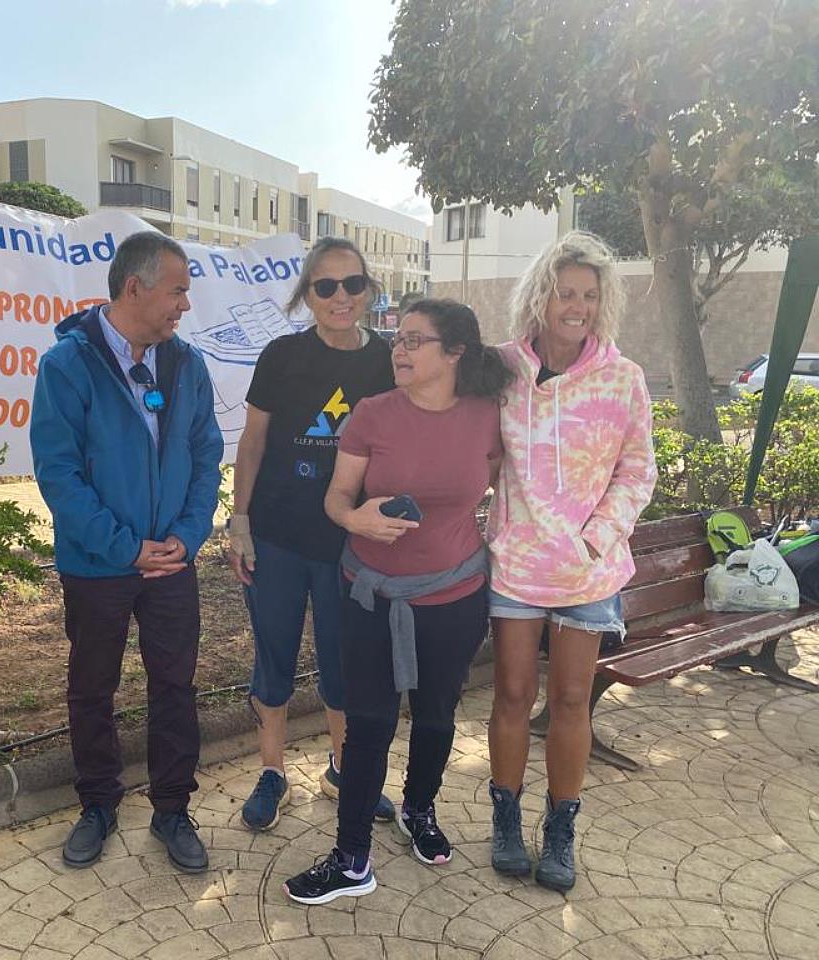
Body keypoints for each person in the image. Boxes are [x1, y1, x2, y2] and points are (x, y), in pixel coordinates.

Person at [284, 299, 510, 904]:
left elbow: (494, 478)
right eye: (397, 339)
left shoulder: (487, 414)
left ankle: (418, 809)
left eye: (415, 340)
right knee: (369, 724)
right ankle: (351, 857)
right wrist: (354, 517)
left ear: (455, 352)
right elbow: (337, 497)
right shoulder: (373, 413)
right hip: (370, 594)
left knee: (436, 715)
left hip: (455, 594)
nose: (399, 349)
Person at [30, 231, 223, 874]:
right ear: (135, 288)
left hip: (172, 562)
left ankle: (173, 809)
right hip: (98, 566)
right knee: (92, 687)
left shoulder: (187, 365)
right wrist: (124, 548)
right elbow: (59, 475)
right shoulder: (67, 366)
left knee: (175, 686)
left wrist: (187, 536)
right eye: (178, 291)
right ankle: (97, 804)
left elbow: (206, 456)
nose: (185, 305)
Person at [486, 231, 657, 892]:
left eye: (588, 294)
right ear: (540, 297)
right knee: (511, 694)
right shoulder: (502, 370)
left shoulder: (623, 378)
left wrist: (597, 537)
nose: (576, 305)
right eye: (565, 293)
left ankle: (561, 828)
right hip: (518, 566)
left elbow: (637, 471)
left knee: (570, 699)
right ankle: (505, 818)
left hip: (588, 571)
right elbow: (472, 447)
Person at [227, 237, 397, 832]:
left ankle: (343, 771)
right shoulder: (281, 356)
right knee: (273, 656)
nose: (340, 297)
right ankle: (273, 773)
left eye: (353, 284)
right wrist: (239, 522)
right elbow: (252, 443)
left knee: (343, 663)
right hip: (275, 536)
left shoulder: (388, 361)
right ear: (308, 294)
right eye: (326, 286)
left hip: (348, 542)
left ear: (369, 290)